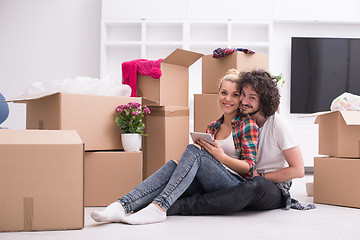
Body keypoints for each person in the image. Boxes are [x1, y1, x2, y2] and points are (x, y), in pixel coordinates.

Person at [90, 69, 259, 225]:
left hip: (235, 186)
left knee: (194, 152)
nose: (228, 99)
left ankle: (160, 207)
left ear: (240, 99)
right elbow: (206, 164)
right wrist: (189, 161)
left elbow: (250, 168)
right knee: (173, 165)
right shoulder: (213, 127)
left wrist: (221, 157)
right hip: (210, 182)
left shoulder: (247, 124)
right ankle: (121, 206)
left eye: (234, 95)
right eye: (224, 93)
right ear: (218, 94)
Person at [166, 69, 315, 216]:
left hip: (271, 186)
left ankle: (184, 206)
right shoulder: (243, 123)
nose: (243, 102)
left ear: (263, 100)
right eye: (243, 94)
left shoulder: (278, 125)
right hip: (243, 180)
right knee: (237, 186)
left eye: (252, 97)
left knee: (255, 186)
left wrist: (262, 177)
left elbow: (298, 170)